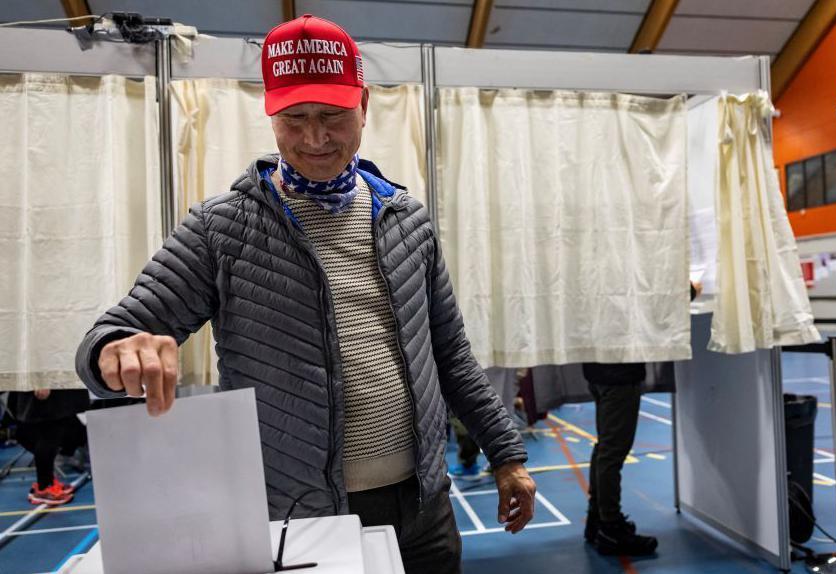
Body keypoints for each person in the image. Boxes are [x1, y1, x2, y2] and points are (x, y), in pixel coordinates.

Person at [74, 14, 535, 574]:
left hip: (424, 511)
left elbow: (451, 359)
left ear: (363, 105)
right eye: (295, 119)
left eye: (333, 116)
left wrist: (507, 455)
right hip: (302, 520)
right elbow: (110, 336)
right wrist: (117, 351)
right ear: (270, 115)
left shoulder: (407, 220)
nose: (315, 138)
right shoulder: (222, 229)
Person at [581, 281, 702, 556]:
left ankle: (597, 520)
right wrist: (691, 290)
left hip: (597, 368)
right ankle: (610, 528)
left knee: (604, 448)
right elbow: (657, 299)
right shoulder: (630, 264)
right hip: (619, 373)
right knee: (612, 452)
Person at [6, 388, 89, 506]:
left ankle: (48, 481)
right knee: (49, 431)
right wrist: (41, 383)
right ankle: (43, 488)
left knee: (64, 427)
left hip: (57, 385)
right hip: (45, 385)